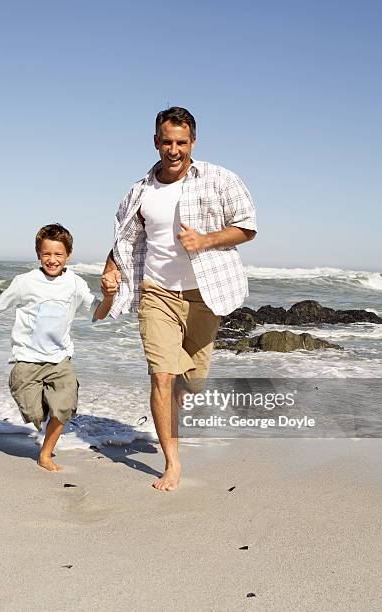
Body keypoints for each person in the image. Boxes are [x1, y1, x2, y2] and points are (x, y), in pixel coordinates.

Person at [101, 107, 257, 491]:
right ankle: (172, 462)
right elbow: (124, 241)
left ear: (193, 141)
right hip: (155, 293)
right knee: (161, 377)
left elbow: (247, 227)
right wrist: (110, 271)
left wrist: (206, 240)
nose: (174, 150)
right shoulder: (139, 191)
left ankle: (180, 397)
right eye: (166, 141)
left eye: (181, 142)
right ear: (155, 141)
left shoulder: (220, 179)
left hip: (205, 295)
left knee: (195, 380)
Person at [0, 223, 113, 472]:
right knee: (34, 415)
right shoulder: (24, 282)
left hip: (60, 359)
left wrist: (110, 296)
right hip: (27, 359)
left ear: (68, 255)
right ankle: (42, 410)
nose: (52, 260)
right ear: (38, 254)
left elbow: (98, 314)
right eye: (47, 254)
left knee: (64, 408)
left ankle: (46, 454)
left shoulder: (75, 283)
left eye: (58, 254)